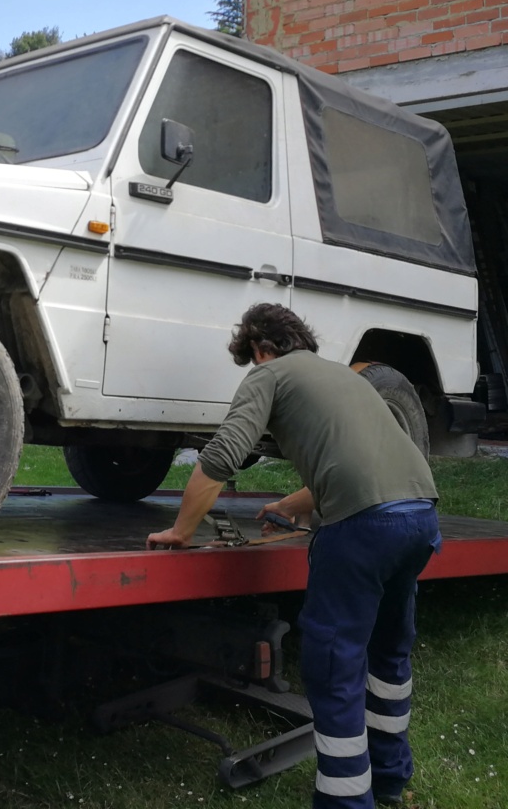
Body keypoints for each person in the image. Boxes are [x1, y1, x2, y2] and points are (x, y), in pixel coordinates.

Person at [147, 303, 441, 809]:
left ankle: (346, 801)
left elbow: (220, 456)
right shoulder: (345, 376)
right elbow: (362, 460)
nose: (254, 368)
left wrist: (181, 530)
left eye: (252, 359)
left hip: (362, 528)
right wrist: (291, 504)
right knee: (388, 653)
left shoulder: (271, 374)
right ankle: (391, 780)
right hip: (419, 516)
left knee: (334, 668)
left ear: (261, 348)